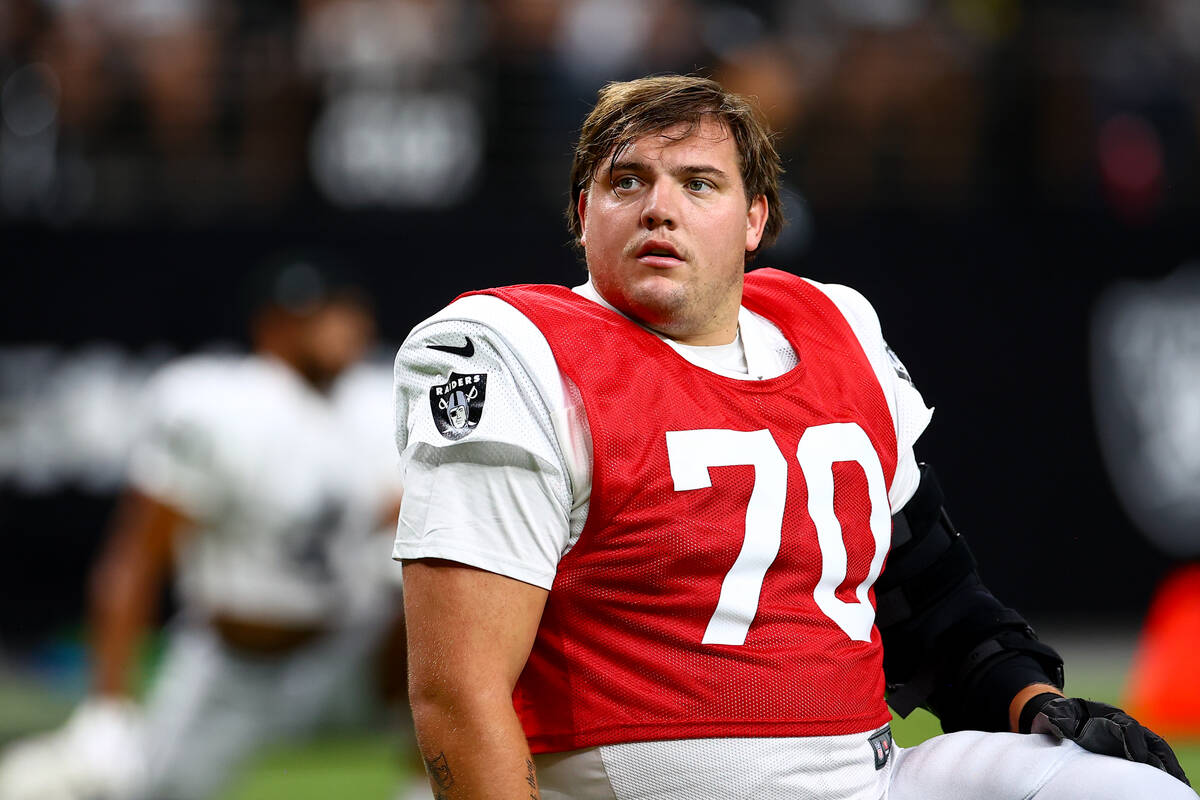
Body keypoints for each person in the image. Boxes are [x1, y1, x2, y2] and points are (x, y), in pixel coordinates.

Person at [391, 76, 1193, 800]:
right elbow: (458, 693)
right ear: (581, 214)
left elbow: (927, 588)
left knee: (1132, 792)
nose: (657, 208)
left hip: (868, 774)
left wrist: (1029, 700)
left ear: (754, 220)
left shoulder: (834, 325)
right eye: (625, 182)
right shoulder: (514, 353)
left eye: (697, 183)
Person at [0, 255, 425, 800]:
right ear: (273, 325)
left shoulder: (380, 402)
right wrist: (108, 703)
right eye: (322, 315)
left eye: (348, 312)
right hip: (233, 665)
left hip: (346, 653)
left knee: (433, 602)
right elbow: (136, 556)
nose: (343, 328)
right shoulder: (216, 406)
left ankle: (430, 780)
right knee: (122, 785)